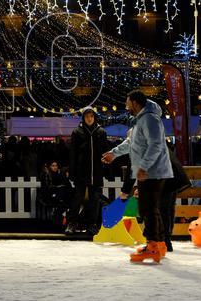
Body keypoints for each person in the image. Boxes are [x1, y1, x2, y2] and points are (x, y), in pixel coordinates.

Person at [102, 91, 173, 264]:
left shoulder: (149, 119)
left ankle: (153, 245)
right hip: (148, 171)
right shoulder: (141, 120)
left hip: (152, 171)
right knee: (150, 208)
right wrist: (114, 153)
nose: (126, 106)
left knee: (147, 208)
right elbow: (131, 143)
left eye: (127, 102)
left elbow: (155, 144)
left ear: (134, 102)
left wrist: (144, 166)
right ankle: (158, 243)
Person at [68, 107, 109, 234]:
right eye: (87, 116)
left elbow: (105, 152)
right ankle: (72, 223)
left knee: (94, 200)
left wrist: (106, 170)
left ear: (94, 117)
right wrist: (72, 171)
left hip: (96, 172)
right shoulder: (77, 132)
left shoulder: (101, 132)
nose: (89, 119)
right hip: (81, 172)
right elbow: (73, 153)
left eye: (91, 116)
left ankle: (92, 225)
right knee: (77, 199)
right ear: (83, 118)